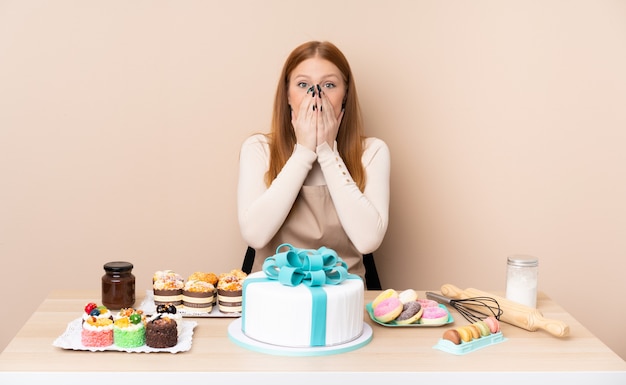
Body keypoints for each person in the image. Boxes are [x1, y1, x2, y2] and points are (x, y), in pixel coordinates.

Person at [237, 41, 390, 281]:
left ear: (345, 95)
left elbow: (368, 240)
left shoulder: (372, 151)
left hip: (344, 296)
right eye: (303, 84)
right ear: (287, 95)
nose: (316, 96)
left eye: (329, 85)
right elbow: (255, 235)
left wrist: (328, 153)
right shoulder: (258, 149)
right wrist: (304, 151)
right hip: (273, 295)